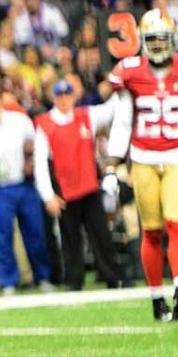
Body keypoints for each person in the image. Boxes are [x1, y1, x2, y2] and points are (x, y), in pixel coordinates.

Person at [104, 10, 178, 321]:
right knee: (153, 232)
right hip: (143, 158)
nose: (157, 45)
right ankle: (157, 299)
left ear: (173, 40)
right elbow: (123, 122)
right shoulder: (130, 72)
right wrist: (110, 167)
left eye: (162, 38)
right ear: (142, 42)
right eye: (151, 39)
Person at [33, 80, 123, 290]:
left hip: (89, 187)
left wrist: (122, 85)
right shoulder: (46, 124)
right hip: (65, 192)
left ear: (73, 96)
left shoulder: (85, 115)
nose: (64, 100)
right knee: (71, 240)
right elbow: (40, 164)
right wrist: (48, 196)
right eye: (60, 96)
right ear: (54, 98)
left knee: (101, 235)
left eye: (67, 95)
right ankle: (74, 280)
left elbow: (110, 109)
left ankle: (111, 276)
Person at [0, 85, 53, 296]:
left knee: (35, 233)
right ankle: (8, 281)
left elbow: (35, 144)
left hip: (24, 184)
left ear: (0, 99)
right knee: (3, 236)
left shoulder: (19, 120)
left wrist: (31, 161)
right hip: (0, 187)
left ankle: (42, 277)